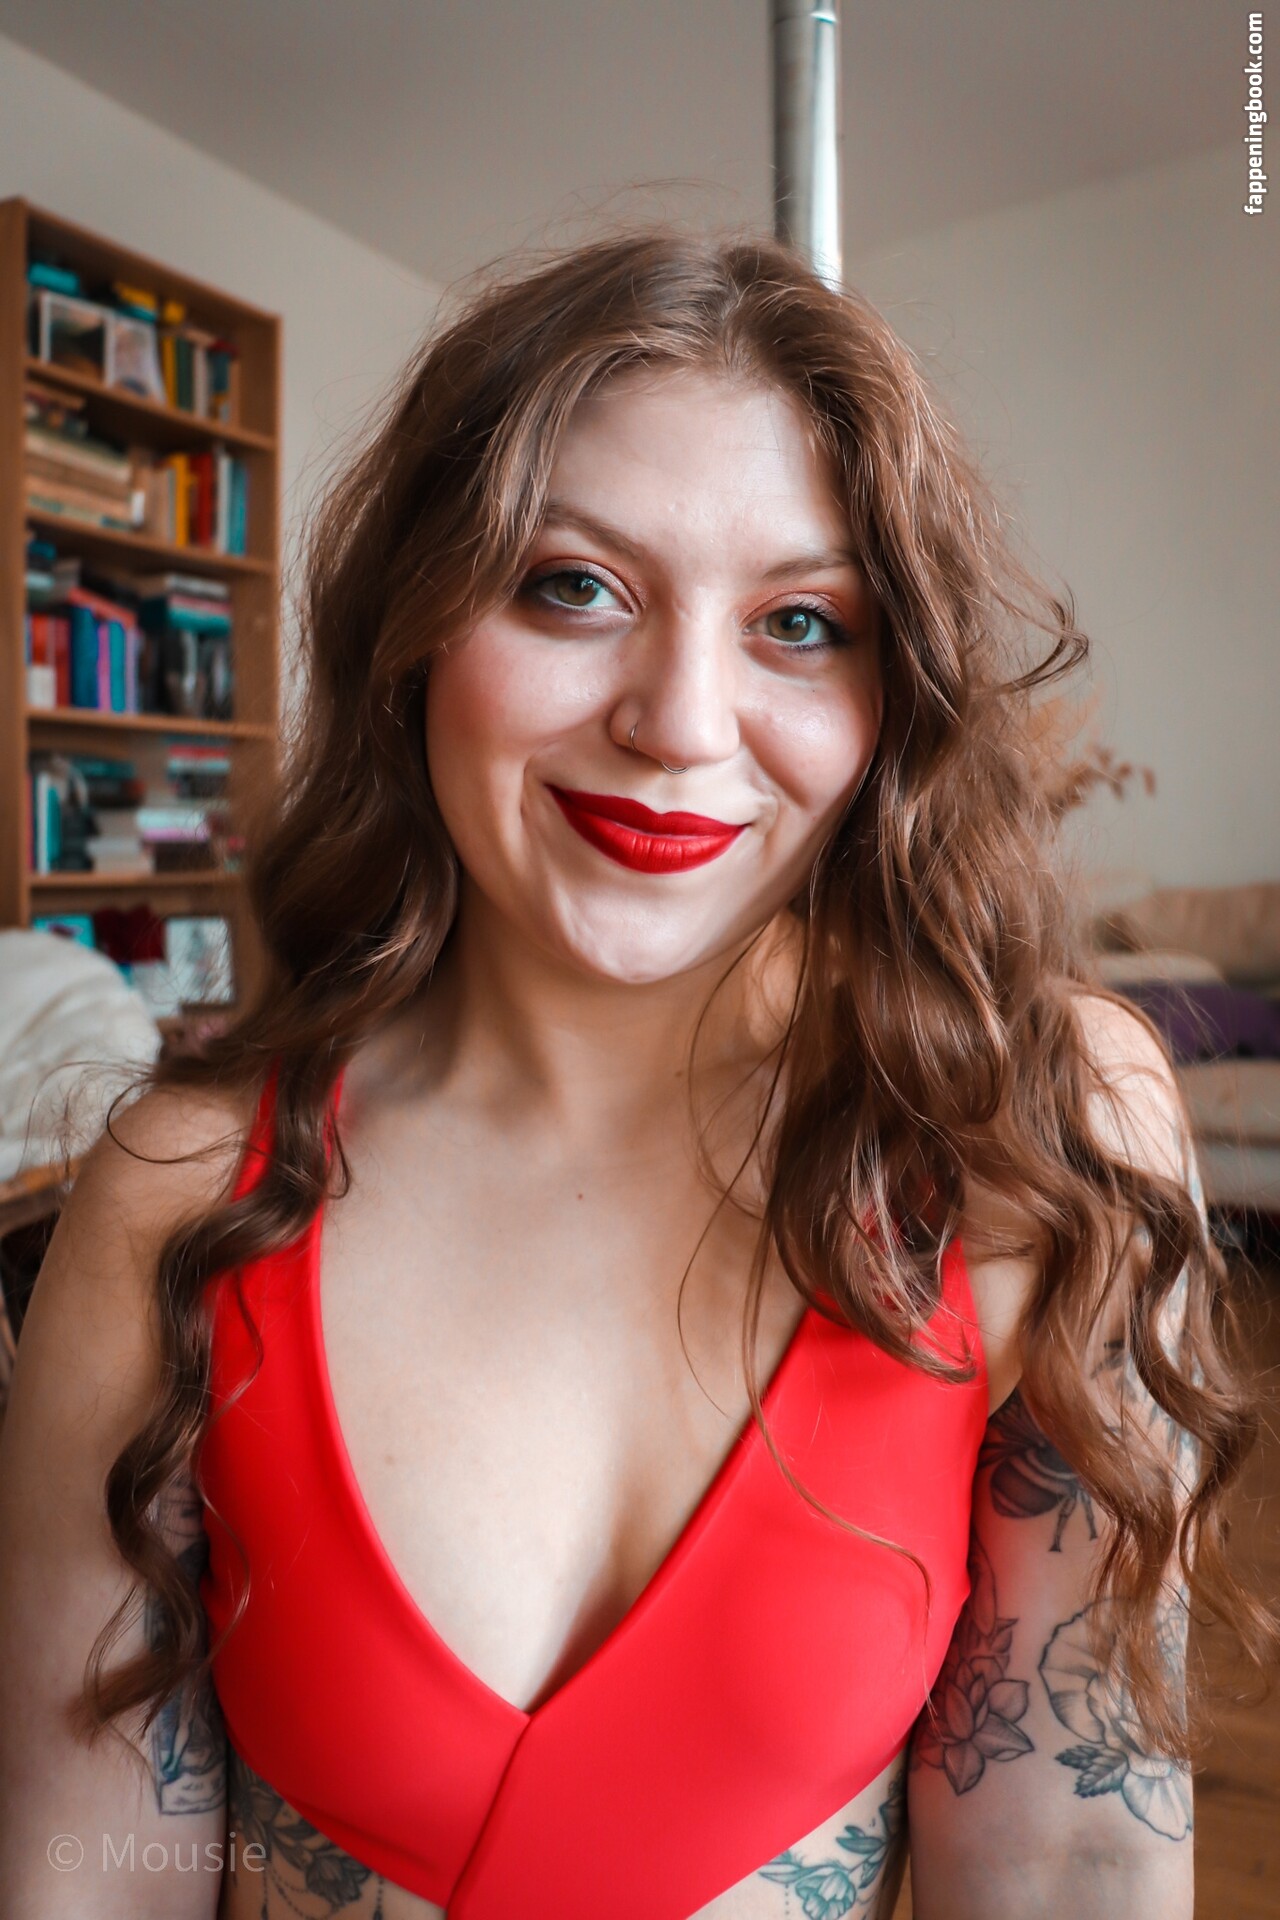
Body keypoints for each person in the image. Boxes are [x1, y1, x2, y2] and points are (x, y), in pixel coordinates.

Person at [0, 233, 1271, 1920]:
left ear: (894, 695)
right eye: (573, 586)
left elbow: (1074, 1854)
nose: (681, 722)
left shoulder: (1031, 1133)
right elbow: (85, 1882)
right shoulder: (180, 1191)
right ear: (413, 625)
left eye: (801, 623)